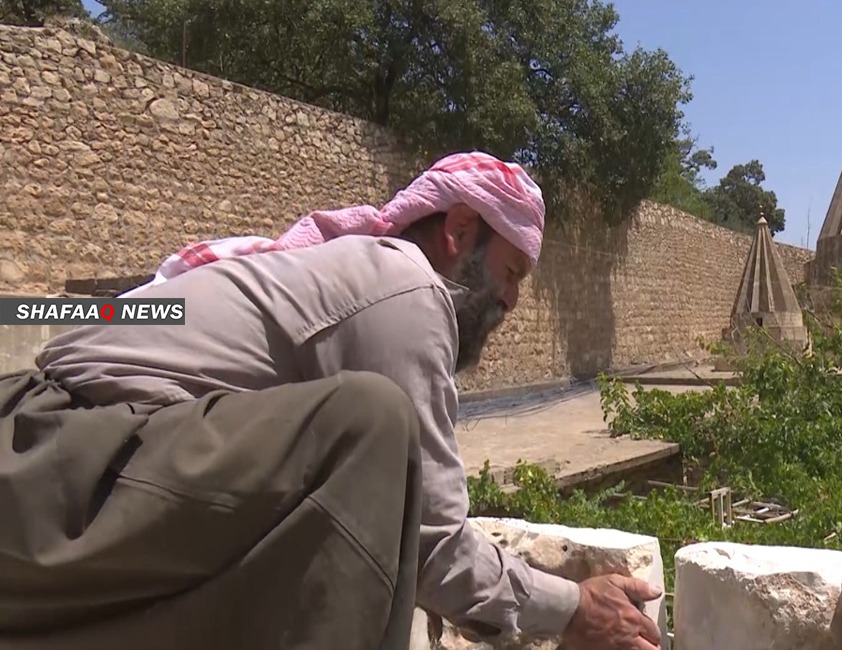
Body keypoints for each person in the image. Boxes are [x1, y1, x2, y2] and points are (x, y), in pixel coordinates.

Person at [0, 151, 663, 650]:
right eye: (512, 272)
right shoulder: (407, 288)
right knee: (370, 429)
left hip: (45, 457)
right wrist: (573, 607)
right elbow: (435, 544)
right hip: (66, 470)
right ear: (460, 231)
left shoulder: (334, 274)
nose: (514, 301)